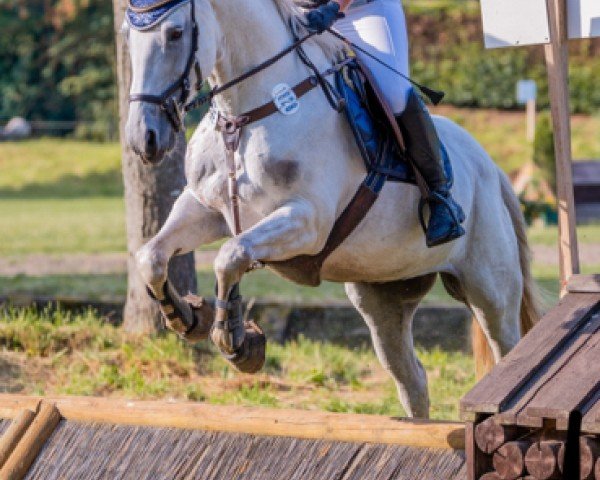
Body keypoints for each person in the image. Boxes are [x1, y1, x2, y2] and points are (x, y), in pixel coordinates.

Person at [304, 0, 465, 247]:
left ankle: (440, 196)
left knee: (394, 94)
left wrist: (334, 7)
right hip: (300, 10)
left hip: (363, 10)